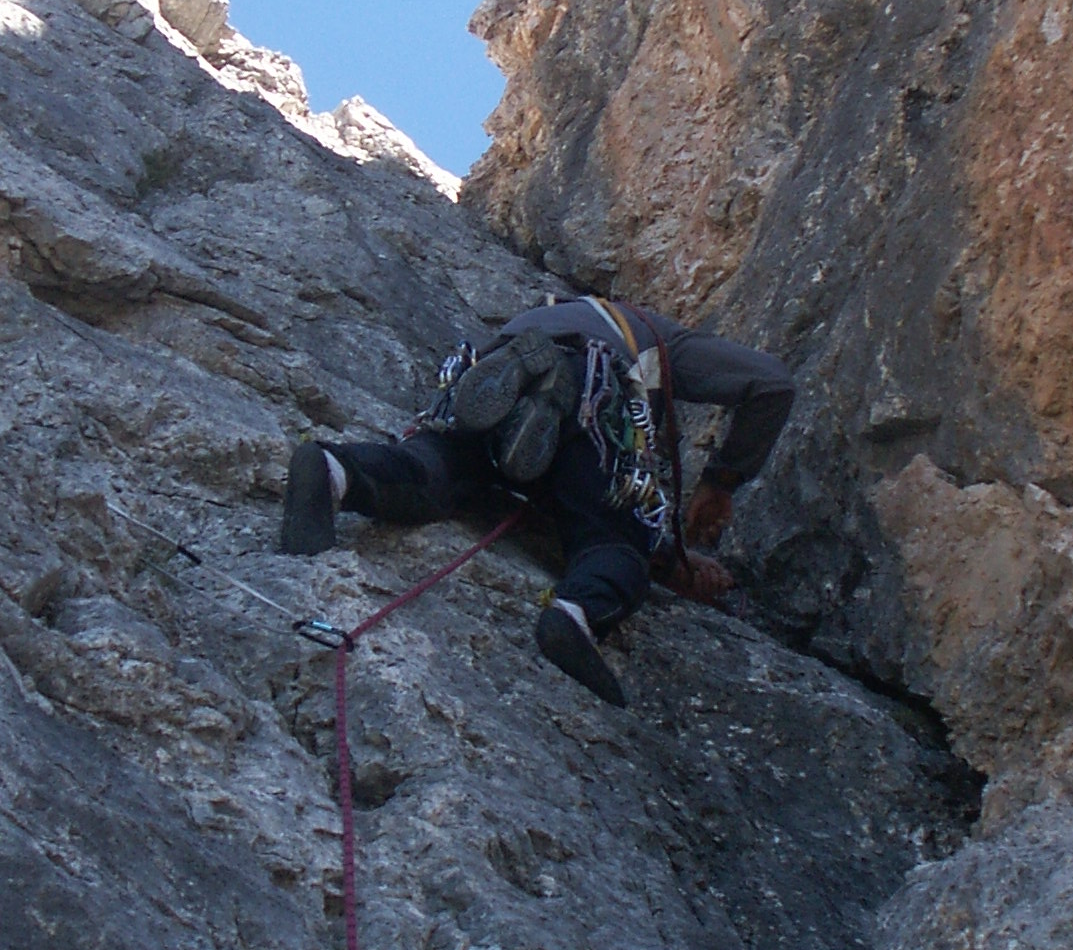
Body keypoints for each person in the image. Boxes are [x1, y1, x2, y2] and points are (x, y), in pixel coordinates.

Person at [278, 294, 794, 708]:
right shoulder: (655, 335)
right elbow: (772, 384)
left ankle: (335, 471)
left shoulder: (541, 314)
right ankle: (577, 613)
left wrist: (674, 560)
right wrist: (721, 481)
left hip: (497, 362)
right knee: (612, 537)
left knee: (434, 469)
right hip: (596, 381)